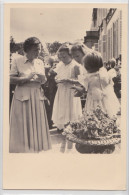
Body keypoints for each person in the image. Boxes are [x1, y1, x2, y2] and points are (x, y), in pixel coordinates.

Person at [9, 37, 52, 153]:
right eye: (35, 50)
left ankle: (35, 150)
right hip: (23, 96)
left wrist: (43, 79)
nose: (38, 52)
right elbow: (10, 79)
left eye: (39, 49)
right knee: (24, 124)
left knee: (36, 125)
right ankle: (23, 151)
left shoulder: (40, 62)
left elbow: (43, 81)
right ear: (27, 50)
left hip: (37, 96)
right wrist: (26, 78)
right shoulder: (17, 61)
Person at [52, 44, 83, 132]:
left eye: (64, 56)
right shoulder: (60, 65)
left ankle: (72, 126)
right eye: (60, 56)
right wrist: (56, 79)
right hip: (61, 91)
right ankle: (61, 126)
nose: (62, 58)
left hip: (71, 91)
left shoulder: (76, 66)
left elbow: (81, 81)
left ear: (70, 55)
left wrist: (69, 81)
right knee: (61, 108)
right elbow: (57, 76)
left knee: (71, 109)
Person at [82, 51, 120, 118]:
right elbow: (110, 84)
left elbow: (84, 89)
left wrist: (77, 88)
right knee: (107, 112)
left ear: (87, 66)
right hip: (105, 98)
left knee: (93, 114)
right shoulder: (104, 74)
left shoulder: (88, 77)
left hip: (93, 99)